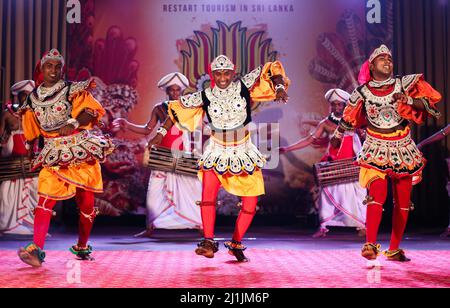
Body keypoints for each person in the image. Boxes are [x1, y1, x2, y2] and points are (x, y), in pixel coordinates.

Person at [149, 55, 289, 262]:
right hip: (216, 151)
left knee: (250, 204)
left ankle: (236, 242)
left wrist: (278, 87)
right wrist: (160, 133)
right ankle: (208, 242)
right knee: (207, 198)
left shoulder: (243, 85)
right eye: (217, 73)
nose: (222, 77)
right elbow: (177, 109)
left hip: (243, 151)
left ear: (232, 73)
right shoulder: (204, 95)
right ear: (212, 74)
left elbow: (270, 67)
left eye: (226, 73)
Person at [330, 45, 441, 262]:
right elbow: (349, 116)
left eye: (389, 59)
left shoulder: (404, 83)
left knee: (403, 200)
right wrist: (337, 134)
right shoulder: (361, 91)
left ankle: (394, 248)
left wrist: (407, 100)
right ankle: (370, 244)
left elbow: (429, 104)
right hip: (375, 145)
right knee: (377, 194)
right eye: (382, 59)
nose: (387, 62)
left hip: (402, 146)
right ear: (371, 66)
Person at [17, 49, 114, 267]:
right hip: (53, 153)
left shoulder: (73, 89)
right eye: (48, 66)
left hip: (80, 150)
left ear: (61, 69)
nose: (53, 70)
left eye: (57, 66)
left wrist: (74, 122)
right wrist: (30, 148)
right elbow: (31, 132)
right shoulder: (32, 99)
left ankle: (82, 245)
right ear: (42, 69)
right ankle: (36, 250)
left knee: (87, 205)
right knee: (44, 199)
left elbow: (91, 111)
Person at [113, 72, 202, 237]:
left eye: (177, 90)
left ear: (182, 91)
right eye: (171, 90)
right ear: (167, 91)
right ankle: (150, 227)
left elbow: (195, 127)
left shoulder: (187, 107)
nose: (175, 93)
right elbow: (147, 129)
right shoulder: (160, 108)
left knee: (191, 190)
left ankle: (200, 225)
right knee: (155, 190)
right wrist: (127, 125)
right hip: (161, 153)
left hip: (182, 152)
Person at [281, 89, 366, 238]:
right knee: (326, 197)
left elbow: (365, 138)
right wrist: (288, 148)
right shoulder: (326, 123)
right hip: (334, 164)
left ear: (346, 105)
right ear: (330, 106)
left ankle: (361, 226)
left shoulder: (355, 120)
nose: (337, 107)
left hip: (353, 163)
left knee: (358, 195)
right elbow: (309, 140)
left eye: (340, 105)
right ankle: (324, 226)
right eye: (334, 105)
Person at [0, 80, 38, 235]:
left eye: (29, 95)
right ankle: (9, 224)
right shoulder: (7, 114)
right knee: (7, 192)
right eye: (24, 95)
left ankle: (28, 222)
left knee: (34, 189)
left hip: (29, 160)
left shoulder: (36, 114)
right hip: (11, 160)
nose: (26, 98)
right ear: (18, 96)